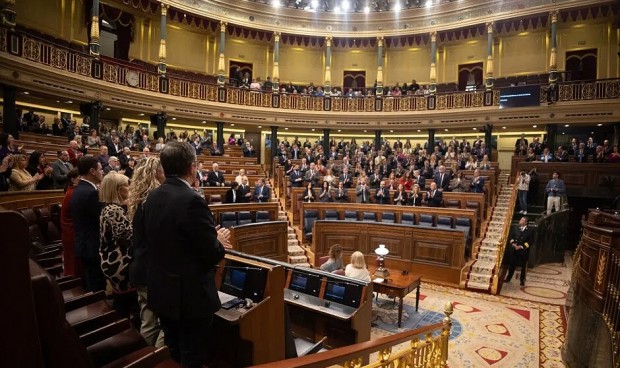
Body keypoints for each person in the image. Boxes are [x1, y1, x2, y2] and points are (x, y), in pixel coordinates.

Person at [135, 142, 231, 367]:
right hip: (190, 299)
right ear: (192, 168)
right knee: (192, 356)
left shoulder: (152, 197)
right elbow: (211, 254)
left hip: (163, 293)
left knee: (174, 351)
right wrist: (219, 241)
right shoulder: (192, 200)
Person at [127, 157, 166, 347]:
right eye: (163, 170)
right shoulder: (155, 201)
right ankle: (159, 361)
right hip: (152, 271)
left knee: (148, 323)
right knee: (167, 325)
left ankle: (146, 360)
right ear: (155, 173)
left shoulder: (139, 200)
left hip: (139, 269)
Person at [99, 172, 136, 318]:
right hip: (119, 263)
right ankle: (125, 333)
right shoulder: (115, 210)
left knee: (122, 302)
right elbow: (128, 237)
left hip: (115, 261)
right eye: (127, 185)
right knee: (124, 304)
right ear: (119, 189)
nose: (130, 188)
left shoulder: (109, 208)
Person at [70, 156, 105, 292]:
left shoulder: (80, 189)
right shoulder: (90, 193)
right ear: (92, 171)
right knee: (96, 288)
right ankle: (101, 312)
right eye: (100, 169)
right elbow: (101, 218)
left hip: (84, 244)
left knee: (92, 283)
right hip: (92, 246)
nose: (102, 172)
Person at [60, 169, 81, 277]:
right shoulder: (72, 193)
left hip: (70, 232)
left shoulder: (72, 191)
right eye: (80, 177)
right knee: (73, 267)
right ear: (73, 179)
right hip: (71, 233)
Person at [504, 217, 534, 286]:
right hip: (515, 250)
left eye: (522, 220)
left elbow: (530, 241)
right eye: (520, 219)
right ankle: (508, 278)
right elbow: (511, 238)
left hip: (523, 251)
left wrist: (521, 246)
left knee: (523, 267)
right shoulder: (515, 228)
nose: (520, 221)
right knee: (512, 265)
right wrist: (513, 244)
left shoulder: (530, 230)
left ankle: (522, 280)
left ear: (526, 223)